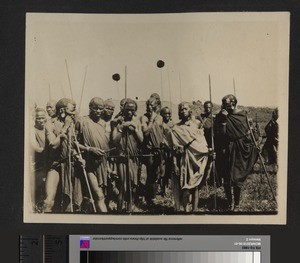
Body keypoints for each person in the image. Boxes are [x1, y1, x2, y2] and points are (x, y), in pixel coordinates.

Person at [214, 94, 258, 211]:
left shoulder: (242, 115)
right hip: (225, 150)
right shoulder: (219, 117)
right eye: (223, 103)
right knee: (227, 178)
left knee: (237, 178)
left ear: (233, 103)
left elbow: (247, 133)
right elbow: (221, 135)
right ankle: (229, 202)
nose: (224, 106)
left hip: (239, 150)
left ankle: (237, 204)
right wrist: (223, 120)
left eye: (226, 104)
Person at [43, 98, 82, 213]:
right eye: (70, 113)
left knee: (68, 202)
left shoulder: (72, 125)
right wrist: (64, 128)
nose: (72, 116)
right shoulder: (50, 124)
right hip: (55, 165)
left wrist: (78, 156)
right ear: (62, 111)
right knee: (49, 201)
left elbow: (71, 146)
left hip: (69, 165)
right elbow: (53, 145)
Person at [170, 102, 211, 212]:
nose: (183, 111)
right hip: (182, 160)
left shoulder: (196, 124)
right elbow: (173, 149)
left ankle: (195, 210)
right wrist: (174, 164)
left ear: (190, 111)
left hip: (196, 159)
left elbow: (201, 141)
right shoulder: (176, 128)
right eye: (181, 109)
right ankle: (185, 209)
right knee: (184, 186)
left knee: (195, 186)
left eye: (185, 109)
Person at [76, 97, 109, 213]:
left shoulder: (103, 123)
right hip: (88, 164)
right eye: (96, 108)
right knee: (99, 196)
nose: (99, 111)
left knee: (98, 197)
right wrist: (89, 149)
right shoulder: (82, 121)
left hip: (102, 165)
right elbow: (73, 143)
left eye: (101, 108)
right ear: (90, 108)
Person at [111, 99, 143, 212]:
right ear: (123, 110)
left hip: (133, 157)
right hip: (122, 157)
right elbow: (114, 141)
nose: (129, 112)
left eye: (132, 110)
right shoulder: (117, 122)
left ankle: (130, 207)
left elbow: (141, 139)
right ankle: (119, 211)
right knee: (123, 187)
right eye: (127, 110)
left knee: (133, 186)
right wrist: (121, 128)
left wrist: (134, 129)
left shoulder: (137, 122)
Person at [141, 96, 164, 206]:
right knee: (150, 174)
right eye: (148, 105)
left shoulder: (160, 118)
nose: (149, 107)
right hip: (150, 150)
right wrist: (151, 119)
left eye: (152, 105)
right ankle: (149, 198)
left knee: (158, 174)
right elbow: (145, 132)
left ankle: (153, 196)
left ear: (157, 106)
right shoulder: (145, 118)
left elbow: (162, 132)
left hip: (159, 150)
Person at [30, 108, 47, 210]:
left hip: (49, 163)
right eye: (38, 118)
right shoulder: (32, 130)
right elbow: (36, 147)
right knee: (39, 189)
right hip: (38, 165)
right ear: (34, 119)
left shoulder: (48, 128)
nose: (41, 120)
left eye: (42, 118)